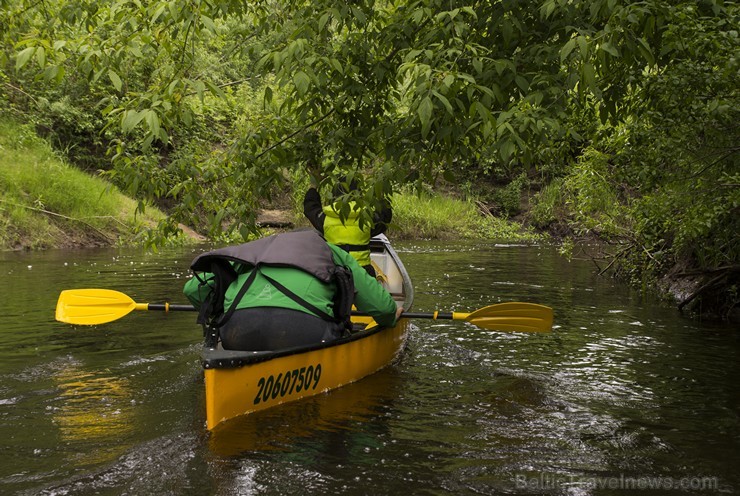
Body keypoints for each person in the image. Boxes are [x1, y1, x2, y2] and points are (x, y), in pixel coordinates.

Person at [183, 229, 402, 351]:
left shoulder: (253, 254)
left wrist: (217, 312)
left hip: (237, 330)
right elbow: (381, 307)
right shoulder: (328, 251)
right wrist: (391, 315)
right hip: (305, 331)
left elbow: (193, 289)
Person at [303, 175, 392, 277]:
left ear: (334, 195)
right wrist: (379, 193)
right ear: (359, 194)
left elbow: (310, 207)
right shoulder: (367, 218)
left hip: (335, 272)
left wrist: (314, 185)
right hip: (362, 272)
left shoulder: (325, 219)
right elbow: (385, 216)